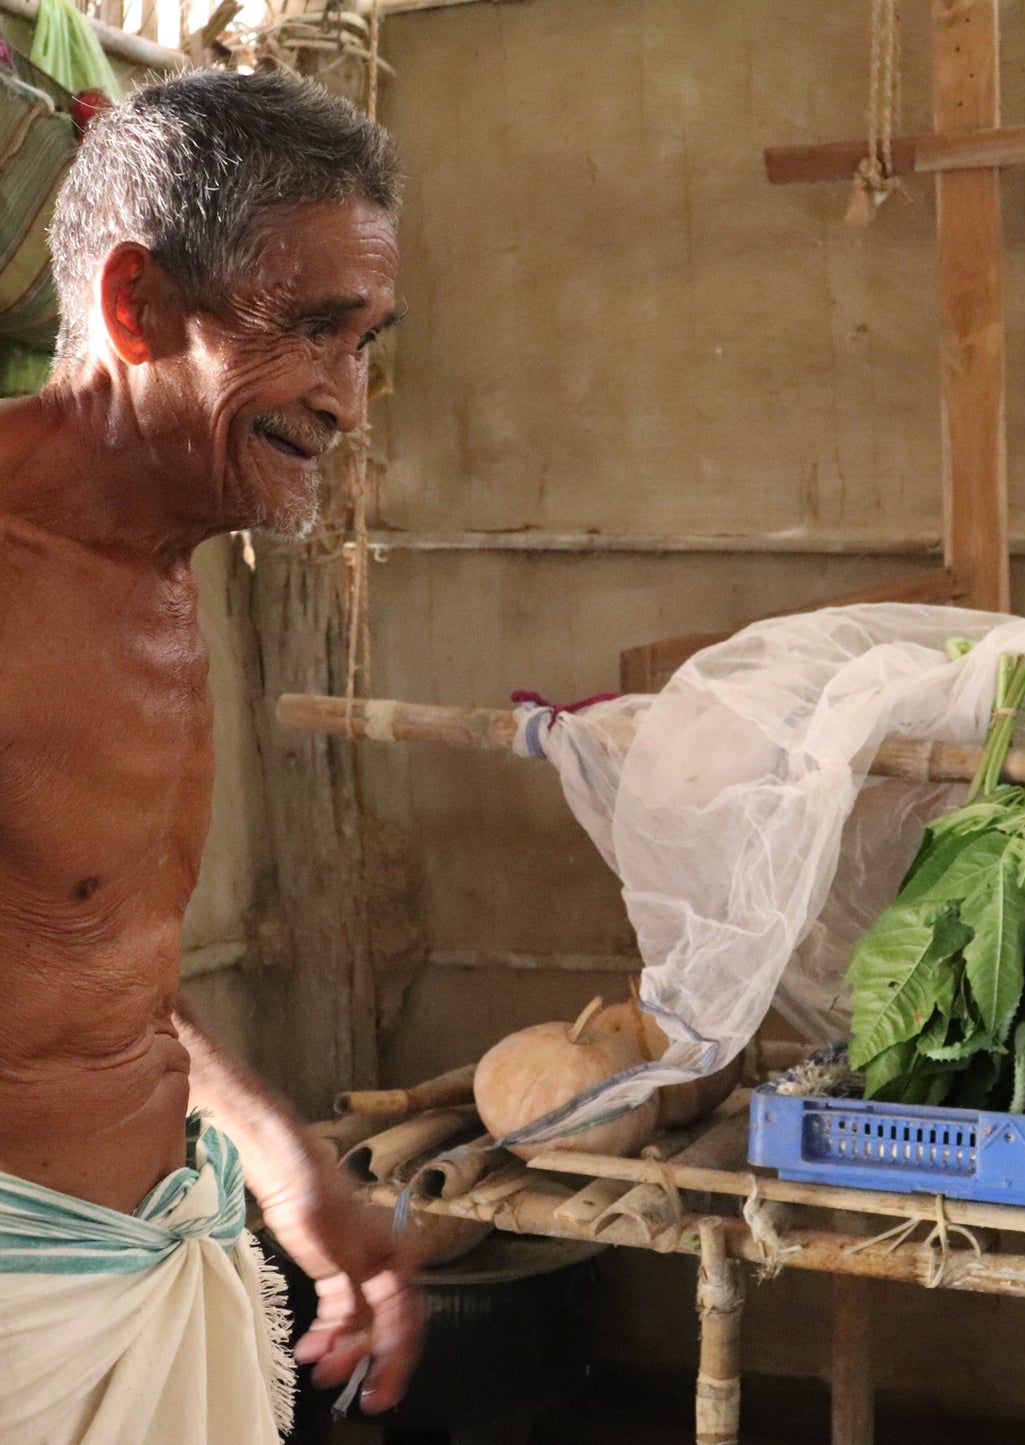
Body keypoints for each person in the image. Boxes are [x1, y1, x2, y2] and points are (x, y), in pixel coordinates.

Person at [0, 68, 421, 1444]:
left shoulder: (166, 558)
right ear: (136, 308)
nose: (347, 403)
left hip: (158, 1243)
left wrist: (266, 1141)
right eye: (312, 331)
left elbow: (74, 936)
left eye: (367, 344)